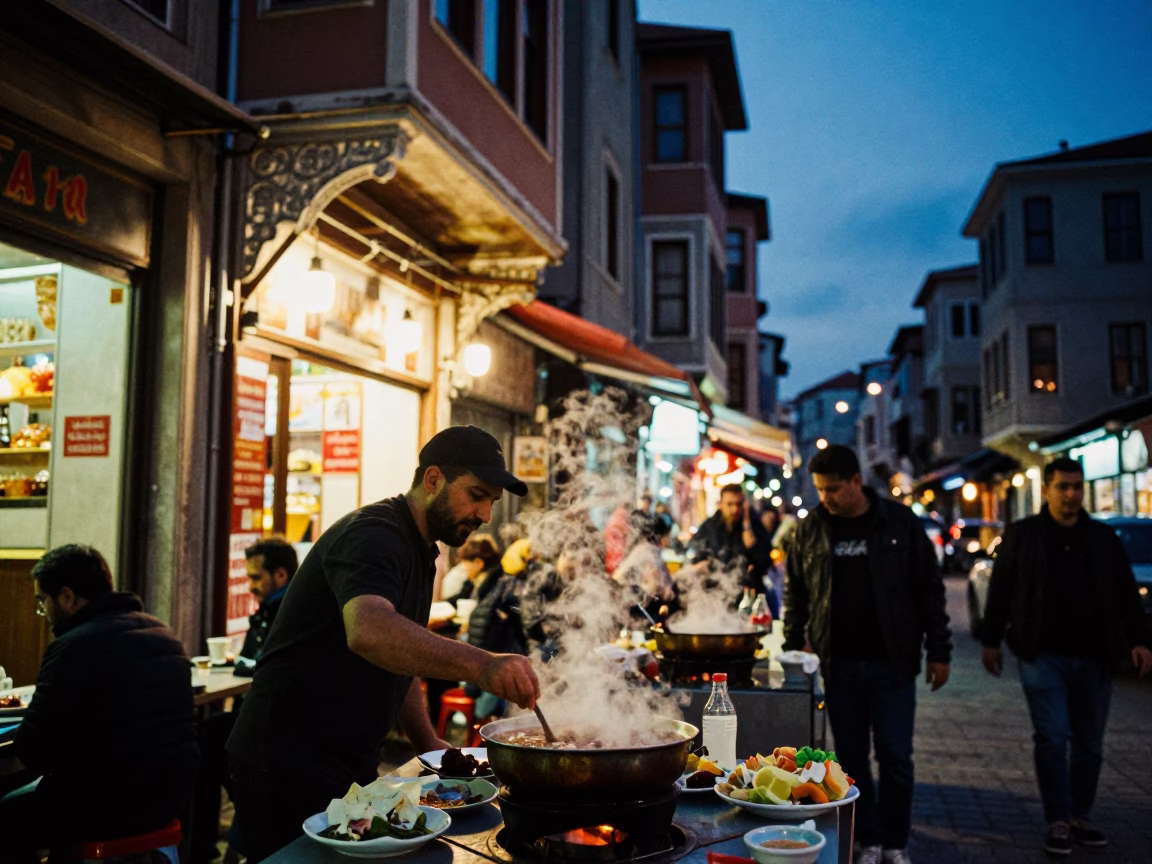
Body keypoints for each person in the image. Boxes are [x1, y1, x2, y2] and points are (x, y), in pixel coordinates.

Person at [226, 425, 539, 861]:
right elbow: (370, 632)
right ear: (433, 480)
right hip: (285, 759)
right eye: (476, 494)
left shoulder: (423, 550)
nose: (485, 514)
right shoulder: (374, 534)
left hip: (345, 759)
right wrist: (481, 663)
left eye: (492, 501)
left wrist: (426, 740)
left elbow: (399, 650)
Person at [783, 445, 951, 864]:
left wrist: (940, 651)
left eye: (834, 489)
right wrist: (792, 644)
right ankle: (867, 838)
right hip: (838, 666)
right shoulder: (812, 528)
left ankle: (896, 842)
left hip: (892, 664)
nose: (826, 498)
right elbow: (796, 591)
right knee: (851, 759)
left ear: (857, 481)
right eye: (820, 490)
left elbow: (930, 589)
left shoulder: (898, 522)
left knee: (895, 757)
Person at [979, 457, 1152, 857]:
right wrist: (990, 640)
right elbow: (1002, 589)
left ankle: (1080, 816)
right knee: (1053, 736)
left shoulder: (1102, 538)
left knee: (1090, 742)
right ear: (1047, 489)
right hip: (1042, 653)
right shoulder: (1024, 536)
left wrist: (1139, 641)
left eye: (1077, 487)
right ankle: (1058, 817)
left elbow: (1125, 593)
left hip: (1095, 656)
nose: (1071, 495)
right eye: (1063, 487)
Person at [0, 545, 199, 862]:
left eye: (42, 602)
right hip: (170, 798)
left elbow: (33, 749)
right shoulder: (165, 633)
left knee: (6, 812)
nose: (44, 615)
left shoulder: (73, 646)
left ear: (66, 597)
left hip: (105, 807)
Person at [191, 538, 298, 864]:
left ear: (280, 575)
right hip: (257, 717)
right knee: (209, 735)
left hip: (276, 724)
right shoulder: (270, 609)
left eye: (255, 577)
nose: (250, 586)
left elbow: (265, 665)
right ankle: (221, 834)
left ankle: (205, 843)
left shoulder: (287, 611)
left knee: (208, 738)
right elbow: (253, 658)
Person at [687, 483, 760, 593]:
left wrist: (746, 524)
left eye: (739, 504)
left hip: (745, 591)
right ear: (720, 504)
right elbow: (694, 556)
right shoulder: (709, 526)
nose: (735, 509)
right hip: (714, 591)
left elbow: (761, 558)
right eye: (730, 504)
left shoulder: (753, 525)